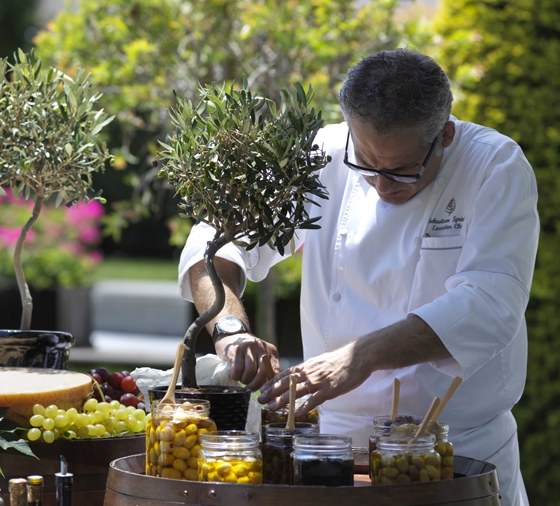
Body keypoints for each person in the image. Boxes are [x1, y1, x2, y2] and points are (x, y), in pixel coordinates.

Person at [178, 48, 536, 505]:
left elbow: (489, 303)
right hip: (330, 444)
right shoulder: (323, 152)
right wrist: (229, 329)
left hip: (457, 449)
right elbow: (214, 242)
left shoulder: (494, 166)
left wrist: (360, 356)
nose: (382, 186)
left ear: (445, 135)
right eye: (366, 164)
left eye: (404, 171)